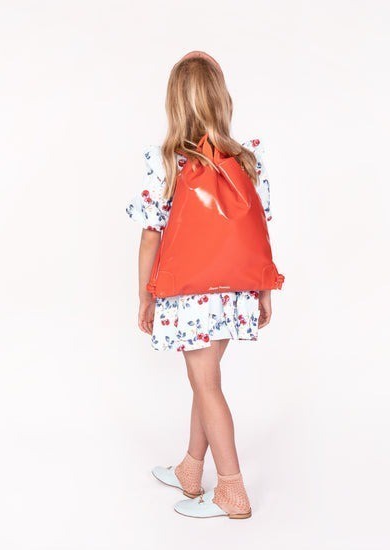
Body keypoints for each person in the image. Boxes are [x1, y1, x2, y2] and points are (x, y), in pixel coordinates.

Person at [125, 51, 278, 519]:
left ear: (175, 103)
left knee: (205, 383)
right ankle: (191, 469)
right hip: (236, 291)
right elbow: (259, 229)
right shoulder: (247, 159)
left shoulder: (167, 162)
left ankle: (231, 489)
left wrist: (145, 295)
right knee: (205, 379)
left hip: (190, 294)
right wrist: (263, 290)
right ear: (221, 98)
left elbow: (151, 236)